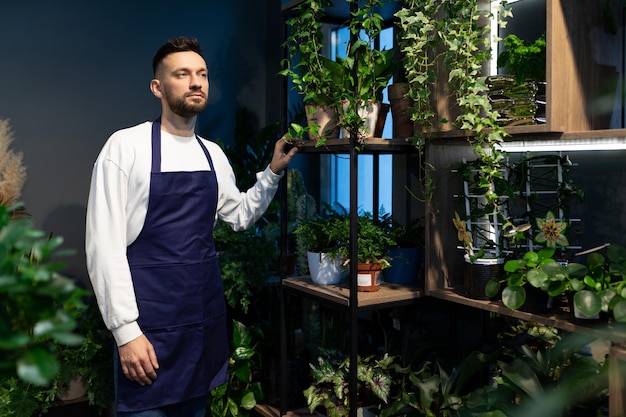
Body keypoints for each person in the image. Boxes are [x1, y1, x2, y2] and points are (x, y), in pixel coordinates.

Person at [85, 36, 297, 417]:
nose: (195, 82)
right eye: (181, 74)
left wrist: (272, 173)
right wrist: (126, 333)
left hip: (202, 327)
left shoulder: (212, 153)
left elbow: (240, 216)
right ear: (158, 87)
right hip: (148, 332)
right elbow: (104, 247)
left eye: (202, 74)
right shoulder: (125, 147)